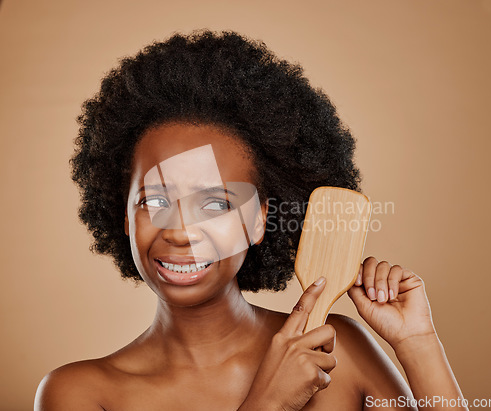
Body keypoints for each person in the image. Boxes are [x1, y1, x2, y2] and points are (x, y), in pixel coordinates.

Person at [35, 30, 466, 410]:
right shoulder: (79, 393)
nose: (180, 231)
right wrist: (269, 402)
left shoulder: (342, 349)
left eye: (216, 205)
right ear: (124, 216)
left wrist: (417, 344)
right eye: (155, 200)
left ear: (261, 221)